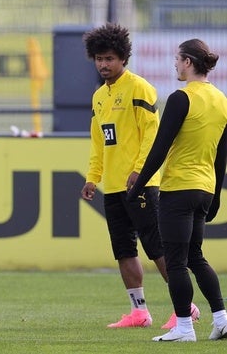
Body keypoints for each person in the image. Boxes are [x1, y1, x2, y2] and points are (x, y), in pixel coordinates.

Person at [80, 23, 199, 329]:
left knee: (157, 247)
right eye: (99, 58)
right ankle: (139, 311)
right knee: (123, 249)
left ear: (123, 58)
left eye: (109, 58)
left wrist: (140, 172)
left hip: (141, 184)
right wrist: (93, 177)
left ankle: (186, 308)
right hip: (114, 186)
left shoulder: (139, 88)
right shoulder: (99, 97)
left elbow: (152, 134)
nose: (104, 64)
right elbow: (100, 143)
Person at [127, 38, 227, 342]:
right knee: (195, 256)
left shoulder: (181, 98)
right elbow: (222, 154)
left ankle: (184, 327)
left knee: (176, 260)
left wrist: (138, 186)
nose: (174, 64)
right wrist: (217, 195)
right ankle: (222, 320)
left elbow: (160, 147)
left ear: (188, 62)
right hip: (205, 187)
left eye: (177, 58)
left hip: (179, 188)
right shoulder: (221, 99)